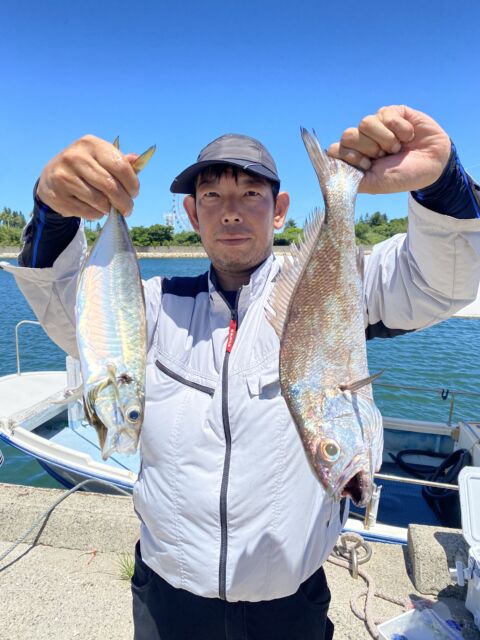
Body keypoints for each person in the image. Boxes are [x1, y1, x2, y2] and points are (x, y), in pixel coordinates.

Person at [3, 105, 480, 640]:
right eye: (212, 196)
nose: (230, 212)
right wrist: (52, 208)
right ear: (192, 214)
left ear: (279, 211)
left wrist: (443, 183)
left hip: (289, 603)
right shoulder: (153, 305)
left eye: (251, 193)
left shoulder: (335, 291)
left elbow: (437, 282)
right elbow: (66, 309)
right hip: (167, 598)